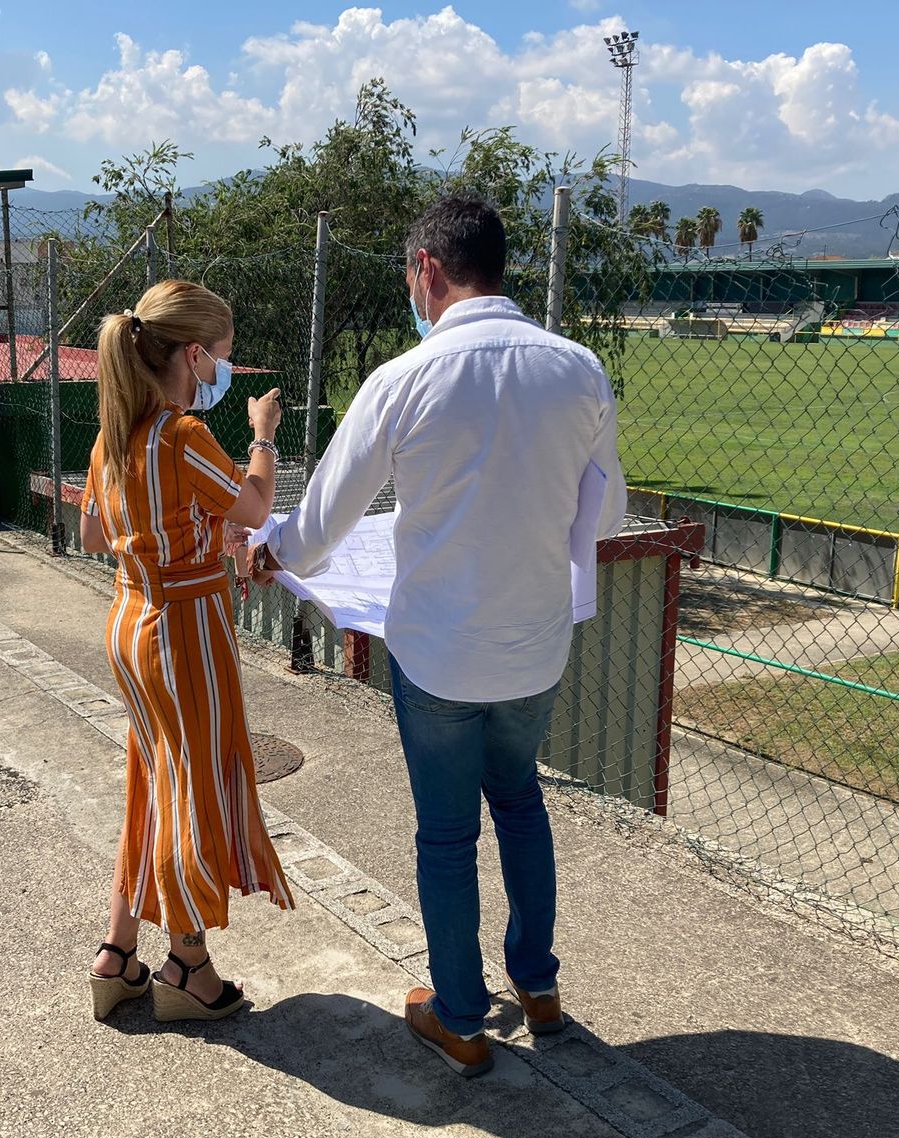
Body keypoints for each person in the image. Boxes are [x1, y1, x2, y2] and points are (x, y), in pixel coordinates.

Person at [252, 196, 626, 1076]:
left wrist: (271, 551)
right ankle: (538, 986)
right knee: (523, 803)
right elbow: (603, 512)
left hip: (439, 654)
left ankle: (460, 1015)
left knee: (447, 836)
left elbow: (320, 526)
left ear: (427, 268)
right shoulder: (579, 370)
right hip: (536, 643)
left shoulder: (403, 379)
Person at [81, 279, 293, 1024]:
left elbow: (95, 537)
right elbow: (258, 505)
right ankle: (188, 964)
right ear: (195, 355)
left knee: (151, 784)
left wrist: (194, 535)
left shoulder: (116, 434)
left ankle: (118, 954)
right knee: (192, 794)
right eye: (220, 359)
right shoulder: (181, 436)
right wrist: (262, 433)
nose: (222, 374)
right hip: (185, 630)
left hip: (130, 617)